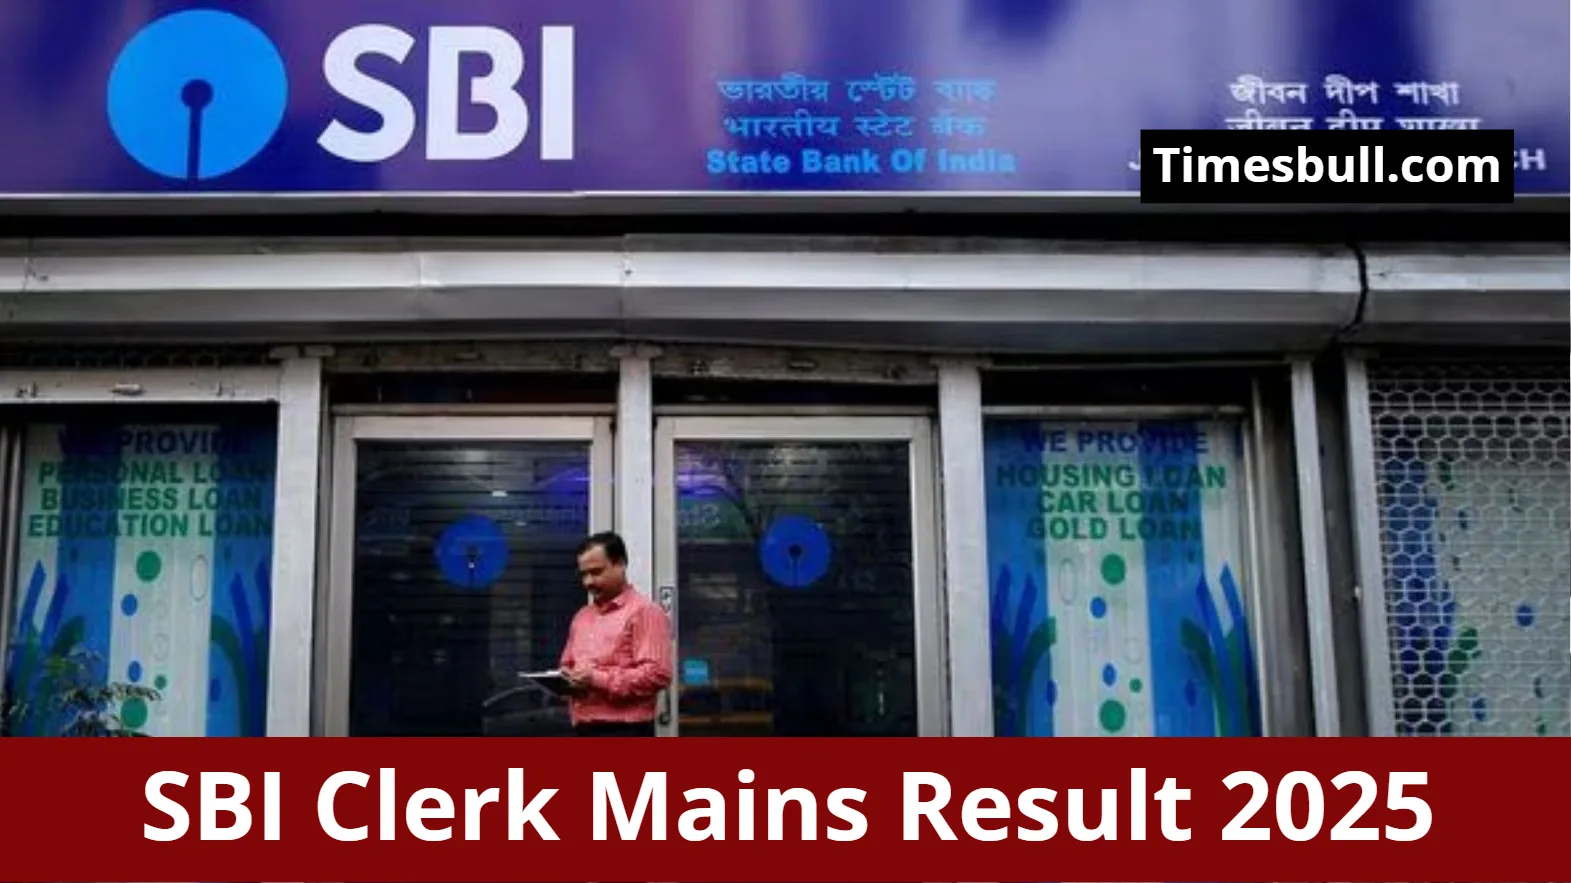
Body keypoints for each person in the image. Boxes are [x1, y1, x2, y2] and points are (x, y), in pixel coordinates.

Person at [558, 531, 673, 736]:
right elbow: (568, 664)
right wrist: (564, 679)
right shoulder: (582, 616)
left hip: (625, 731)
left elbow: (657, 675)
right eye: (583, 574)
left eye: (596, 572)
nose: (588, 582)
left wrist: (596, 679)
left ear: (620, 564)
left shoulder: (645, 612)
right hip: (583, 727)